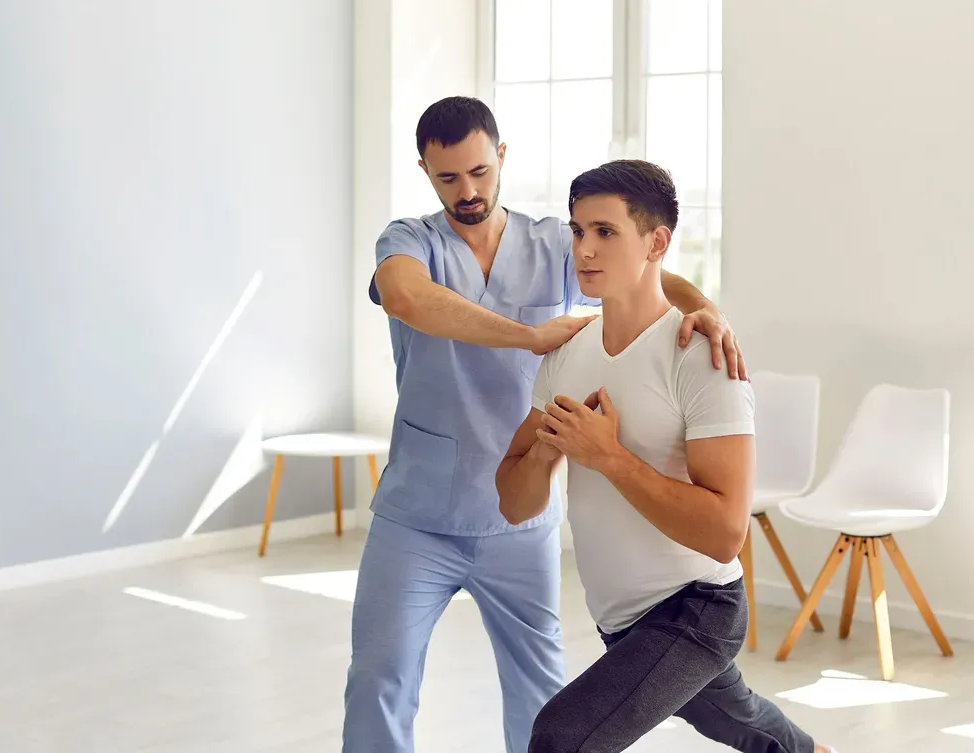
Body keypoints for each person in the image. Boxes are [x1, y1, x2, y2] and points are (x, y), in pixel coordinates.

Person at [345, 96, 745, 753]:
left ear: (501, 156)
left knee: (541, 696)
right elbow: (405, 296)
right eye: (447, 178)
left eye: (479, 171)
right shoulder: (409, 240)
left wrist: (709, 310)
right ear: (424, 170)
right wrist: (529, 335)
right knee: (379, 679)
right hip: (416, 516)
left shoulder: (551, 242)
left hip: (519, 523)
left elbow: (645, 269)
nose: (467, 191)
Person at [496, 160, 833, 753]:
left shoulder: (700, 357)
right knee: (746, 724)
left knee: (562, 738)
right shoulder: (565, 355)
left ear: (657, 242)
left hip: (695, 608)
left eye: (605, 232)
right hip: (619, 620)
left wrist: (609, 458)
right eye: (577, 232)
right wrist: (548, 451)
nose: (585, 249)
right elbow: (515, 502)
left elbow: (727, 534)